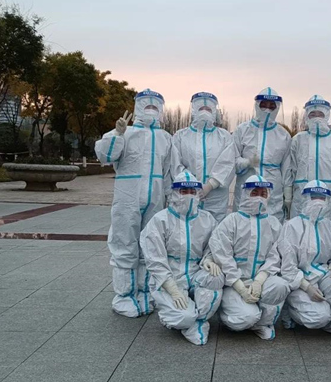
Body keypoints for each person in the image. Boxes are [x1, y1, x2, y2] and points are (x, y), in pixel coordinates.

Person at [95, 89, 182, 318]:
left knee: (150, 246)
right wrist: (116, 133)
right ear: (137, 107)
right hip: (127, 198)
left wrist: (173, 200)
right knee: (124, 244)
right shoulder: (127, 132)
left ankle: (145, 294)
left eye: (155, 106)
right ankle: (124, 296)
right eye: (146, 105)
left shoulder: (165, 138)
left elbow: (171, 172)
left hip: (155, 200)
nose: (151, 110)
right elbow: (105, 156)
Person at [139, 171, 224, 345]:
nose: (189, 195)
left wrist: (209, 259)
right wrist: (172, 289)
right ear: (175, 193)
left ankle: (200, 320)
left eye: (193, 191)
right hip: (171, 277)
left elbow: (214, 245)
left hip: (196, 272)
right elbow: (155, 259)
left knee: (216, 278)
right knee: (183, 317)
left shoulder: (207, 219)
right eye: (184, 191)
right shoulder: (160, 220)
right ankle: (183, 318)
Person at [210, 175, 291, 340]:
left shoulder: (273, 223)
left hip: (261, 280)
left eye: (263, 194)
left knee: (280, 285)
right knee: (245, 317)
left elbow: (275, 256)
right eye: (255, 193)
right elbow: (223, 256)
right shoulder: (231, 221)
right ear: (246, 194)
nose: (259, 198)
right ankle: (232, 314)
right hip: (234, 283)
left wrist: (259, 280)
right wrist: (239, 286)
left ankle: (263, 323)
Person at [279, 180, 331, 338]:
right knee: (318, 318)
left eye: (322, 198)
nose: (318, 201)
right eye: (314, 197)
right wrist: (307, 287)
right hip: (299, 281)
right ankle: (290, 310)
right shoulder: (292, 226)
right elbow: (288, 267)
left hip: (322, 274)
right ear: (305, 198)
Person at [172, 92, 236, 222]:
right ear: (193, 110)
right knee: (186, 229)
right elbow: (175, 164)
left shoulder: (224, 137)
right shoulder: (180, 136)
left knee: (215, 229)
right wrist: (190, 184)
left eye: (208, 109)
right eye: (201, 108)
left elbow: (227, 163)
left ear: (215, 112)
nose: (204, 112)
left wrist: (210, 185)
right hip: (187, 194)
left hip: (216, 198)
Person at [233, 87, 292, 222]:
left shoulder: (283, 135)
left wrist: (288, 195)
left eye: (272, 106)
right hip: (247, 186)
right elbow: (231, 162)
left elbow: (287, 167)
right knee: (243, 224)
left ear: (277, 108)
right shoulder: (242, 130)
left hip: (273, 190)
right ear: (257, 105)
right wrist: (247, 162)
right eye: (263, 105)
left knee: (272, 225)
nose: (267, 110)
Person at [287, 95, 331, 222]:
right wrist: (287, 195)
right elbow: (290, 170)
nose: (316, 118)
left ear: (327, 115)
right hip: (302, 196)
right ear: (306, 116)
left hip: (328, 196)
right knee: (299, 229)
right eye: (312, 114)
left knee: (326, 230)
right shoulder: (298, 140)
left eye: (320, 114)